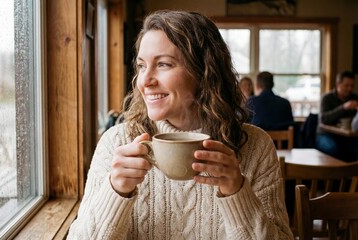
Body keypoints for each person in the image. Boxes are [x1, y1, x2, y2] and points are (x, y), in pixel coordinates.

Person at [67, 10, 293, 239]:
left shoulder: (256, 146)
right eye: (142, 66)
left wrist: (237, 192)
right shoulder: (116, 143)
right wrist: (115, 191)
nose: (145, 81)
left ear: (205, 72)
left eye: (163, 64)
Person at [316, 70, 358, 162]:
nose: (349, 89)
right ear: (338, 84)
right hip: (326, 134)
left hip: (346, 137)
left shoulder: (355, 98)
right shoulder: (327, 98)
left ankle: (351, 175)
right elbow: (323, 119)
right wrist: (344, 107)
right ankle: (334, 175)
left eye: (352, 86)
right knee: (333, 149)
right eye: (346, 85)